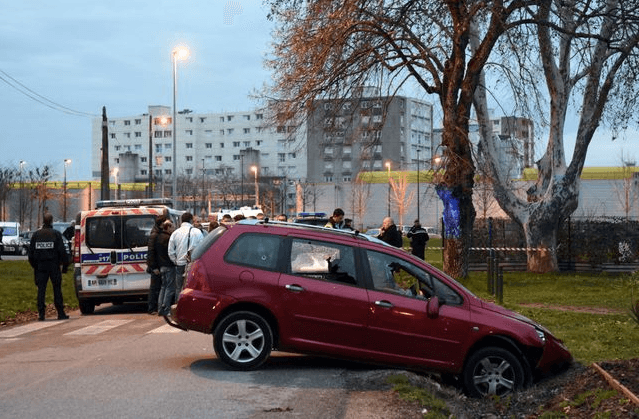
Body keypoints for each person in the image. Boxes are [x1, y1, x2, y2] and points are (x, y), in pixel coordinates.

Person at [28, 213, 69, 320]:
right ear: (51, 222)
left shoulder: (36, 235)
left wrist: (35, 266)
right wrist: (65, 266)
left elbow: (31, 253)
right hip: (54, 266)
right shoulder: (55, 234)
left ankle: (41, 314)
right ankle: (60, 313)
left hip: (40, 266)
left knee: (41, 290)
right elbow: (62, 251)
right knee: (57, 289)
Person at [168, 212, 204, 297]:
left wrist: (176, 261)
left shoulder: (175, 233)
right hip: (193, 264)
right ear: (191, 220)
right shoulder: (197, 232)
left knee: (178, 288)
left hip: (180, 264)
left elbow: (170, 251)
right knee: (192, 288)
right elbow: (202, 248)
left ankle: (178, 307)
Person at [146, 214, 167, 315]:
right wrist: (153, 267)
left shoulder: (157, 232)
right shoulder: (155, 234)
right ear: (161, 223)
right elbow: (151, 251)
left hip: (157, 265)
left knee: (157, 287)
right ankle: (151, 308)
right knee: (154, 288)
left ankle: (154, 307)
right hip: (155, 266)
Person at [155, 219, 177, 316]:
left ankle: (160, 309)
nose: (173, 229)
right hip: (169, 265)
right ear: (167, 227)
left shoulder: (158, 236)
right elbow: (171, 252)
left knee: (163, 287)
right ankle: (166, 309)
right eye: (172, 227)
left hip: (161, 266)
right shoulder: (169, 238)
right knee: (170, 288)